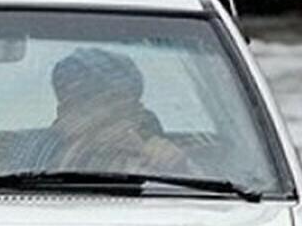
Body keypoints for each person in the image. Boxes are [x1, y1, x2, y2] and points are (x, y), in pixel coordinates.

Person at [41, 46, 191, 174]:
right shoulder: (39, 152)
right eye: (68, 99)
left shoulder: (154, 155)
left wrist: (177, 166)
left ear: (129, 108)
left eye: (90, 96)